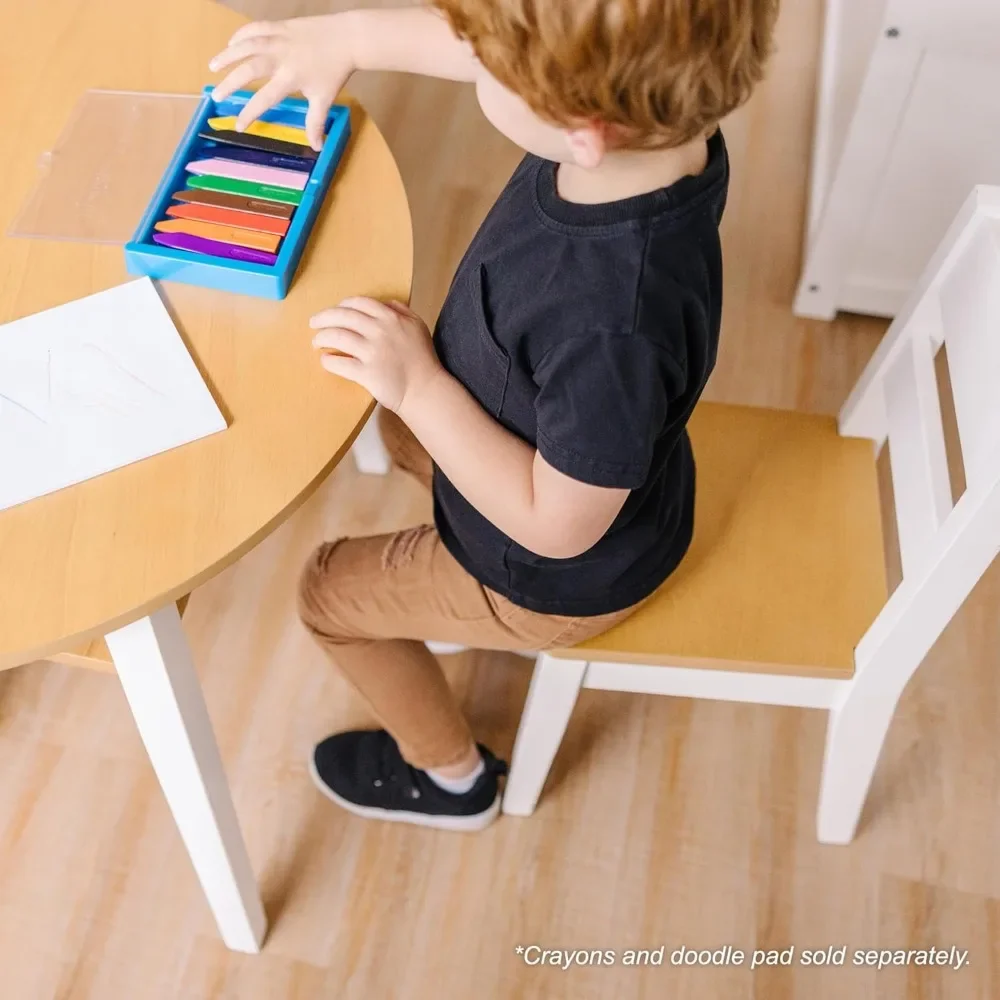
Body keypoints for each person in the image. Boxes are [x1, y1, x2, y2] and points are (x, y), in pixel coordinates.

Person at [209, 0, 777, 831]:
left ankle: (450, 778)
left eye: (492, 60)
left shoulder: (612, 322)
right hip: (536, 438)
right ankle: (440, 585)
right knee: (401, 427)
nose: (472, 56)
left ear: (583, 126)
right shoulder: (661, 136)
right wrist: (347, 37)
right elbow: (498, 52)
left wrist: (424, 388)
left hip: (551, 571)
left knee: (329, 593)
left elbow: (558, 524)